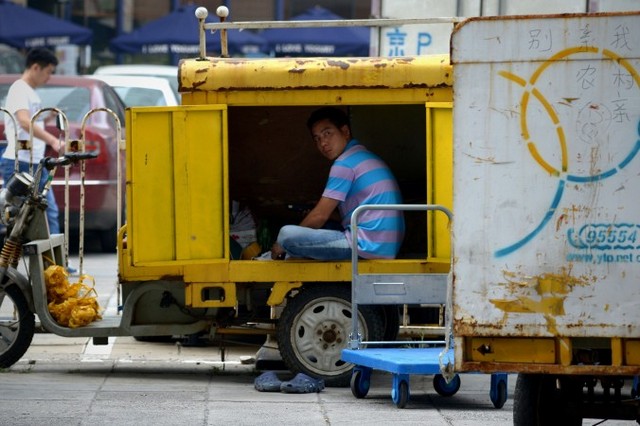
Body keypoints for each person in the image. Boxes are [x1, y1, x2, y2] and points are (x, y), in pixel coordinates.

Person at [270, 106, 405, 261]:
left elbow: (319, 216)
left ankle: (275, 255)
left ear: (345, 132)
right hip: (383, 246)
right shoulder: (362, 156)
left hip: (365, 246)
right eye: (317, 139)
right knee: (320, 229)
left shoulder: (344, 163)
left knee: (287, 235)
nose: (323, 143)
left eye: (328, 133)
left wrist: (281, 245)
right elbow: (349, 217)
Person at [1, 47, 62, 235]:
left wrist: (48, 119)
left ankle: (55, 262)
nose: (49, 78)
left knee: (47, 211)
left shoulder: (30, 92)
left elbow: (30, 122)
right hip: (21, 161)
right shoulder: (20, 89)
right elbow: (25, 121)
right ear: (36, 67)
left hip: (36, 162)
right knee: (10, 214)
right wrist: (53, 140)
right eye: (48, 72)